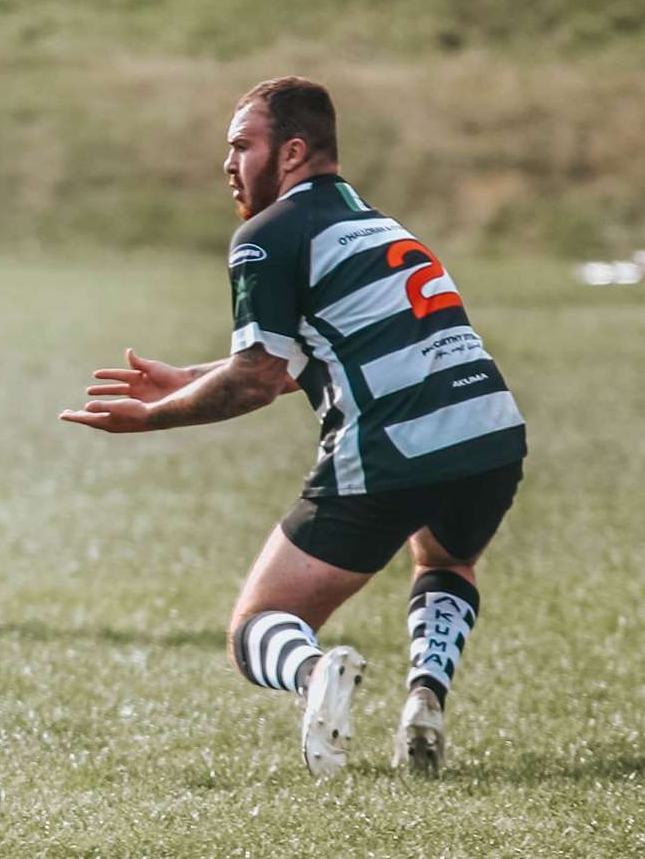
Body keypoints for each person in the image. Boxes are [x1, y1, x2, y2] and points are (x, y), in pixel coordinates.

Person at [60, 77, 527, 777]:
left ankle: (315, 679)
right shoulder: (375, 225)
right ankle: (425, 696)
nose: (227, 164)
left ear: (292, 151)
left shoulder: (267, 236)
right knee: (442, 560)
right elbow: (291, 360)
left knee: (258, 625)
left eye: (240, 145)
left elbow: (253, 381)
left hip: (393, 448)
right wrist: (188, 377)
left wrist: (152, 419)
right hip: (489, 433)